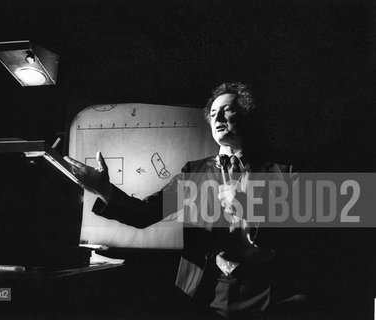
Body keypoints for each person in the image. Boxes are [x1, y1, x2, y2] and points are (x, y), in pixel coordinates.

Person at [64, 82, 296, 318]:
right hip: (205, 294)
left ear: (247, 114)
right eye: (213, 113)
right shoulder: (193, 172)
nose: (217, 118)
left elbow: (302, 237)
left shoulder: (284, 171)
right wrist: (104, 189)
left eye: (227, 110)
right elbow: (144, 214)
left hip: (268, 295)